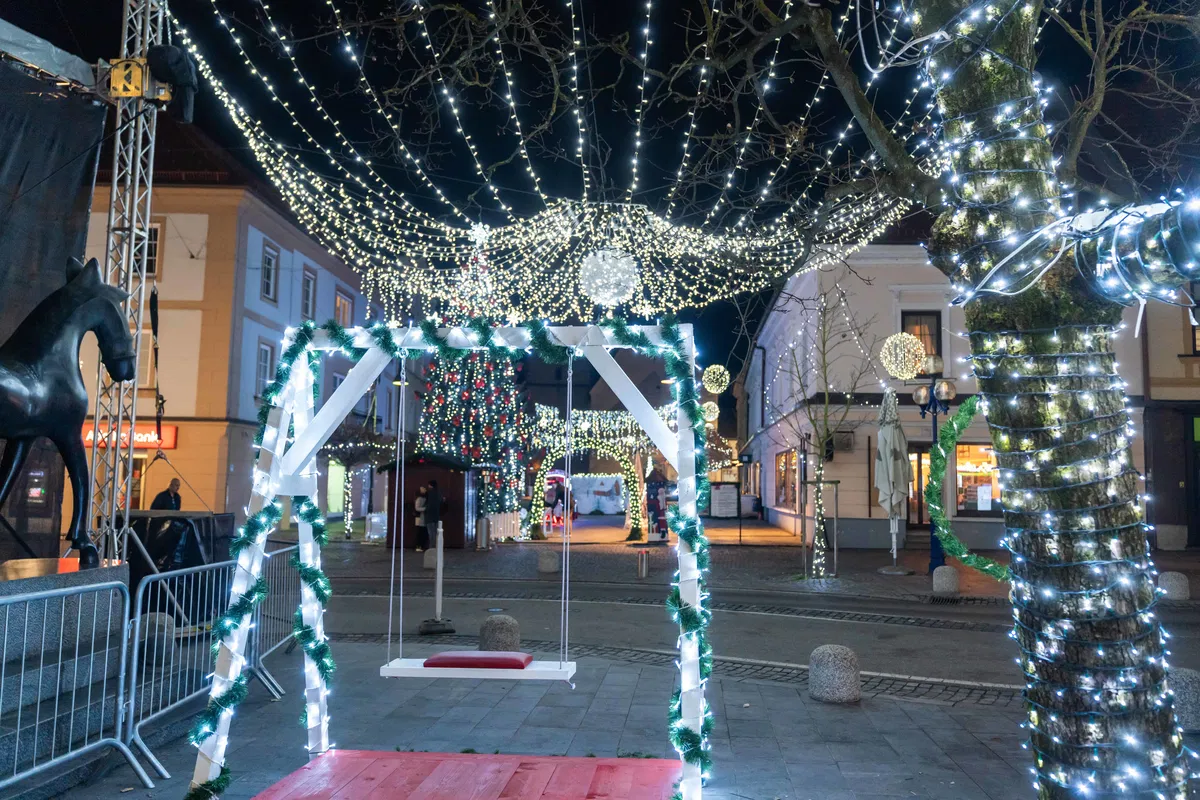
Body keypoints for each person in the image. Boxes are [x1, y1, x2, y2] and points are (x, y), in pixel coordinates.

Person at [425, 479, 442, 546]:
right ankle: (437, 546)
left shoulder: (429, 493)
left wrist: (426, 509)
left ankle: (431, 547)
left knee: (431, 533)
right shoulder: (438, 493)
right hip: (436, 515)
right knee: (436, 532)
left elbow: (428, 504)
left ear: (430, 485)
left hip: (429, 516)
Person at [414, 486, 429, 552]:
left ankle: (421, 546)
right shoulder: (419, 499)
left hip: (424, 519)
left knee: (423, 533)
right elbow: (417, 508)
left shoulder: (425, 498)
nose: (424, 490)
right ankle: (419, 546)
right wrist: (425, 509)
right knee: (421, 533)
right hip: (421, 519)